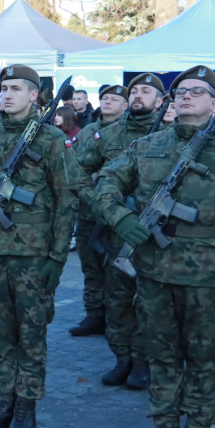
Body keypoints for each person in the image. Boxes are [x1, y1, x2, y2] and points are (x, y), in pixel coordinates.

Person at [94, 65, 215, 428]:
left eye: (195, 92)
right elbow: (104, 182)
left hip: (206, 275)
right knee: (161, 354)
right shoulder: (148, 146)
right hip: (154, 272)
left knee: (201, 356)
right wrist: (120, 218)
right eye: (179, 91)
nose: (184, 97)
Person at [0, 64, 80, 428]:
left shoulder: (51, 140)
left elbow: (66, 200)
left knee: (31, 333)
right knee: (0, 333)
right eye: (3, 88)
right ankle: (3, 399)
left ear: (35, 96)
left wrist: (57, 258)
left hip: (34, 256)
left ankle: (26, 403)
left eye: (16, 89)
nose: (7, 95)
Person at [78, 77, 157, 390]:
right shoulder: (108, 134)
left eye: (145, 91)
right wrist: (100, 205)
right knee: (118, 299)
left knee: (148, 301)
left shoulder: (169, 136)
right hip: (115, 233)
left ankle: (142, 360)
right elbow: (77, 172)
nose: (138, 95)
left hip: (156, 237)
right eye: (134, 90)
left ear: (162, 100)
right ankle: (122, 358)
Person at [68, 85, 129, 337]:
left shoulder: (132, 133)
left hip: (120, 214)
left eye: (114, 99)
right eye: (104, 98)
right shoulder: (88, 132)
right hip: (89, 211)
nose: (107, 102)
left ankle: (119, 320)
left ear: (125, 105)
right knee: (91, 266)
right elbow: (75, 168)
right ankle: (94, 314)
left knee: (119, 271)